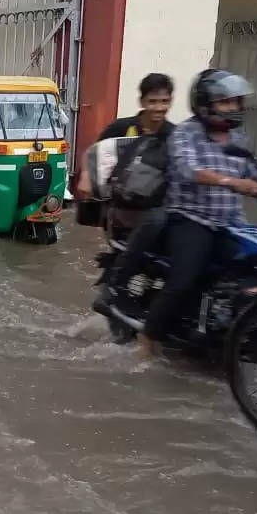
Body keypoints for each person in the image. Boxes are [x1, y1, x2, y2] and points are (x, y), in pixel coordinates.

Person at [139, 69, 257, 356]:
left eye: (236, 102)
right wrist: (233, 182)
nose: (233, 108)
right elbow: (189, 170)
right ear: (205, 103)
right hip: (191, 218)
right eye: (226, 102)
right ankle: (146, 343)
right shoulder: (186, 133)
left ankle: (230, 325)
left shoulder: (237, 137)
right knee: (184, 279)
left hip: (232, 223)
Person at [85, 74, 177, 333]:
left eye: (164, 101)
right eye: (153, 101)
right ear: (142, 101)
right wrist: (84, 178)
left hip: (158, 213)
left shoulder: (174, 135)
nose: (158, 107)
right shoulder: (122, 128)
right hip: (122, 215)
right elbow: (94, 154)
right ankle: (117, 294)